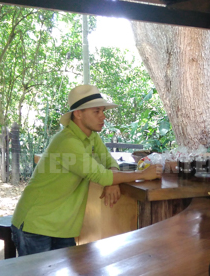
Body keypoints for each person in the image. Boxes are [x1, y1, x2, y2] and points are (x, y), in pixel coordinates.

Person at [11, 84, 162, 256]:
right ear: (78, 113)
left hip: (63, 226)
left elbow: (108, 161)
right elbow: (100, 176)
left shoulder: (91, 136)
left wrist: (113, 181)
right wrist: (142, 175)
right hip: (36, 223)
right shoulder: (67, 141)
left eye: (103, 111)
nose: (103, 117)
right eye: (96, 112)